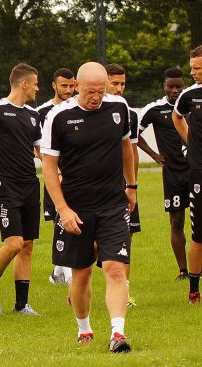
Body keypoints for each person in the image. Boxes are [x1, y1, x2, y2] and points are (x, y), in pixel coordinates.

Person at [41, 62, 136, 352]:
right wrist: (63, 209)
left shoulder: (119, 109)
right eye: (89, 92)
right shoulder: (58, 116)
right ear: (76, 87)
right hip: (77, 208)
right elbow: (48, 167)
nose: (95, 97)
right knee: (81, 274)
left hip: (113, 204)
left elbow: (126, 147)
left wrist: (131, 187)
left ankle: (118, 334)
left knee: (115, 268)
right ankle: (84, 329)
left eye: (100, 91)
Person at [0, 63, 42, 317]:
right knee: (13, 243)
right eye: (35, 83)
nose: (37, 88)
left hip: (30, 185)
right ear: (24, 83)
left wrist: (59, 170)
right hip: (6, 185)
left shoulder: (33, 115)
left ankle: (22, 304)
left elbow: (40, 150)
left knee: (26, 245)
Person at [137, 67, 188, 280]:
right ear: (164, 87)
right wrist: (154, 155)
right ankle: (183, 271)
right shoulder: (154, 109)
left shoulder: (193, 104)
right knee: (176, 221)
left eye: (179, 86)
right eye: (171, 86)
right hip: (173, 175)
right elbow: (133, 134)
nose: (175, 90)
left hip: (196, 171)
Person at [104, 63, 140, 308]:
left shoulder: (129, 114)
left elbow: (131, 152)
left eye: (122, 84)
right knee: (91, 244)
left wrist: (132, 186)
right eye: (114, 83)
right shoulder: (88, 110)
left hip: (122, 187)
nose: (119, 88)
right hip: (95, 187)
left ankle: (123, 294)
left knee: (125, 239)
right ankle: (77, 287)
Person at [36, 68, 75, 286]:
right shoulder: (42, 112)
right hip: (55, 176)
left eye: (71, 86)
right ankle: (64, 273)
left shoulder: (78, 108)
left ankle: (60, 272)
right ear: (54, 85)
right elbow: (37, 147)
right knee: (58, 221)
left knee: (73, 221)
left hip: (77, 177)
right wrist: (55, 171)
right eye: (64, 86)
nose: (68, 90)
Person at [173, 45, 202, 304]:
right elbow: (177, 117)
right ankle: (194, 290)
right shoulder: (189, 95)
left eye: (198, 68)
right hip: (199, 171)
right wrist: (190, 142)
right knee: (199, 234)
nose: (193, 72)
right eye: (192, 67)